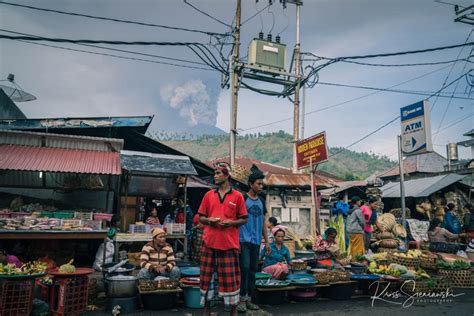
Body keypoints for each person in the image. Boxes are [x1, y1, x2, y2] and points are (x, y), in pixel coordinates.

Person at [198, 162, 247, 316]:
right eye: (215, 173)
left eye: (218, 173)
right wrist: (209, 220)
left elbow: (244, 219)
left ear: (227, 176)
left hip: (229, 244)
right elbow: (201, 217)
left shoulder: (237, 196)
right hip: (209, 243)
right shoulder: (208, 195)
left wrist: (231, 223)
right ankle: (207, 312)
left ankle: (233, 312)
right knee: (206, 280)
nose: (215, 176)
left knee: (230, 281)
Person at [237, 166, 270, 313]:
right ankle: (240, 299)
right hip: (243, 240)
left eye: (262, 184)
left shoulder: (262, 201)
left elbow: (263, 221)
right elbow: (237, 221)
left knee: (252, 270)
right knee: (243, 268)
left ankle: (249, 299)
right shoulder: (243, 199)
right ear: (251, 184)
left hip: (256, 241)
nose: (260, 186)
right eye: (258, 184)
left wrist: (267, 241)